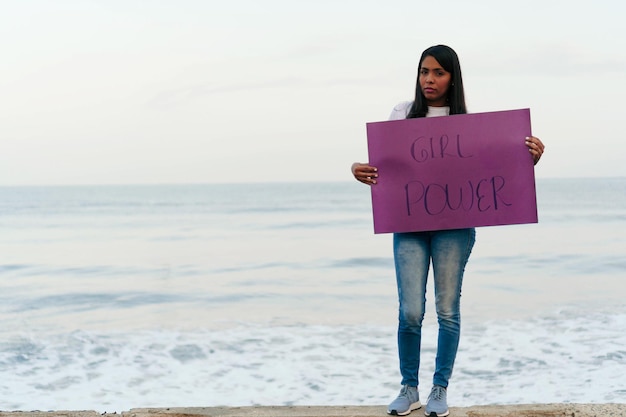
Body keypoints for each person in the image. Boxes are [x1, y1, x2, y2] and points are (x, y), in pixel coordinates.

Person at [351, 45, 545, 417]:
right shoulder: (402, 113)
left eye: (438, 72)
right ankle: (409, 389)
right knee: (409, 311)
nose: (429, 79)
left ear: (452, 78)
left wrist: (529, 156)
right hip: (408, 226)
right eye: (424, 71)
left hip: (454, 228)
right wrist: (359, 169)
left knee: (447, 310)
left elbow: (500, 168)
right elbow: (383, 168)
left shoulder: (469, 125)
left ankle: (439, 389)